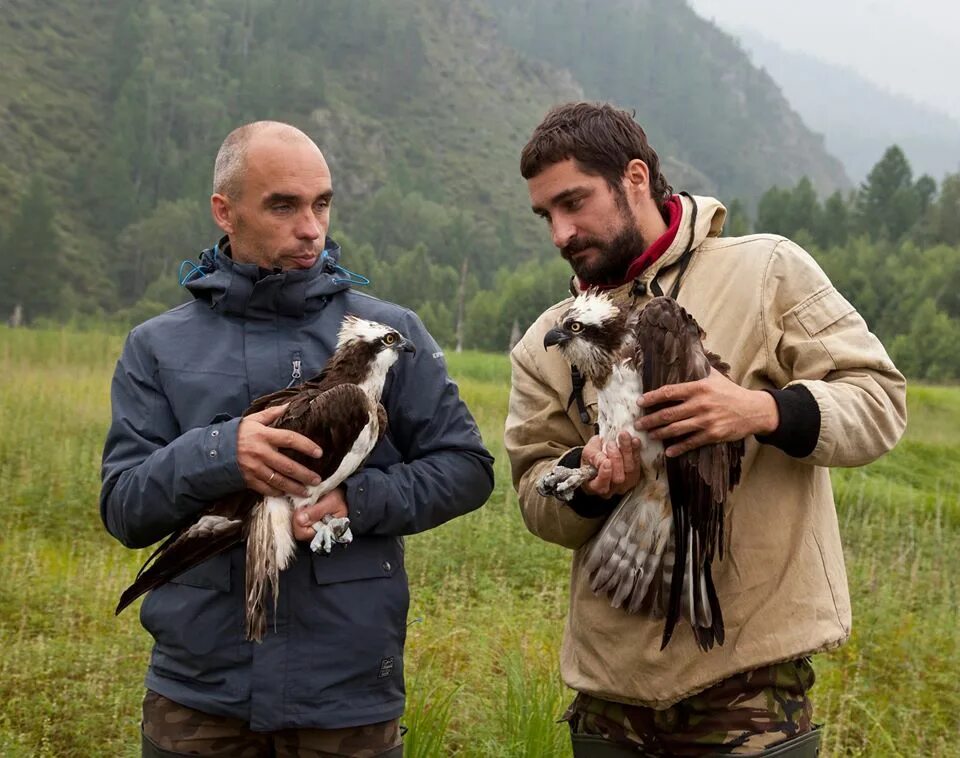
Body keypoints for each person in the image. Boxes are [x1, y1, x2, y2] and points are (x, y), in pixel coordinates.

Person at [505, 102, 907, 757]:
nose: (559, 231)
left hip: (749, 679)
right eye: (545, 214)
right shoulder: (544, 343)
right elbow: (533, 491)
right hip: (612, 690)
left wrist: (764, 412)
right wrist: (588, 475)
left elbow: (879, 402)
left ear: (635, 178)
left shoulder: (766, 272)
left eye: (573, 203)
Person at [100, 121, 494, 757]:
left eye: (322, 203)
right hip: (199, 695)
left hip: (345, 692)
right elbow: (124, 507)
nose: (311, 227)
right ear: (224, 212)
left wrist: (355, 503)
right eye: (283, 205)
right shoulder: (157, 347)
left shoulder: (389, 335)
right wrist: (222, 452)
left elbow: (468, 468)